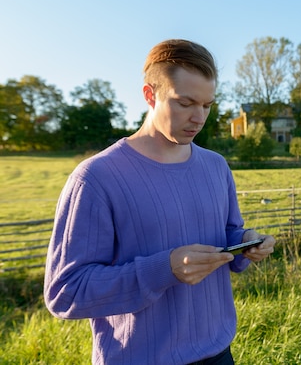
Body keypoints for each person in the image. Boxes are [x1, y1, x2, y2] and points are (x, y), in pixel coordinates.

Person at [44, 39, 276, 365]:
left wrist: (245, 244)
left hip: (219, 355)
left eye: (208, 105)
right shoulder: (95, 178)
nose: (199, 117)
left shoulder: (216, 167)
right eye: (185, 103)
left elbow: (226, 235)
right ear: (150, 95)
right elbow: (65, 292)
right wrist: (164, 269)